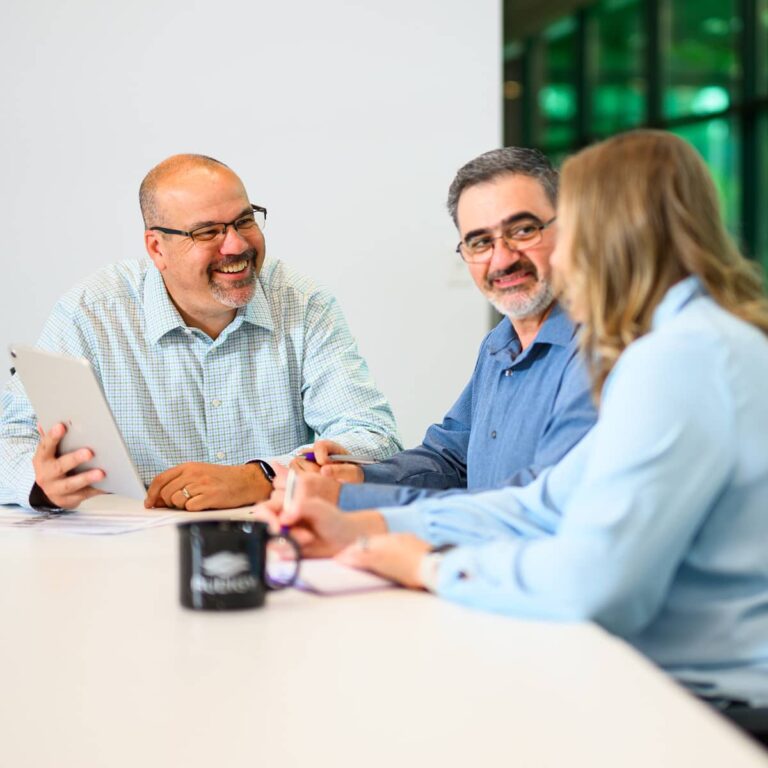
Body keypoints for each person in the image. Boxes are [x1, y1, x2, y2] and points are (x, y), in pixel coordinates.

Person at [278, 130, 768, 707]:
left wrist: (432, 566)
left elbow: (597, 583)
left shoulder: (675, 359)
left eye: (542, 232)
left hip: (704, 709)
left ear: (614, 237)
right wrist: (364, 524)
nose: (539, 260)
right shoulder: (684, 345)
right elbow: (548, 501)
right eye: (481, 241)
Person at [0, 154, 401, 511]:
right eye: (207, 232)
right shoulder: (90, 313)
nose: (237, 245)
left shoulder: (304, 304)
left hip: (269, 541)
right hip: (122, 549)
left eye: (244, 221)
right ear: (157, 248)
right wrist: (42, 485)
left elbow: (374, 438)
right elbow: (10, 441)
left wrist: (260, 475)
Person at [285, 148, 596, 510]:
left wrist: (358, 500)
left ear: (568, 227)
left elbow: (535, 501)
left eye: (523, 230)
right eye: (480, 242)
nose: (503, 258)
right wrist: (359, 476)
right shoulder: (499, 343)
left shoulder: (601, 347)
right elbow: (450, 458)